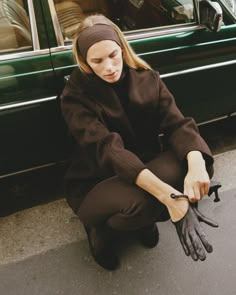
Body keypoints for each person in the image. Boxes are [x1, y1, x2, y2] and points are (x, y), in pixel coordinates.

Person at [60, 14, 218, 270]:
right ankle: (98, 229)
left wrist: (197, 164)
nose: (109, 66)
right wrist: (171, 197)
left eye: (113, 55)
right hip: (97, 179)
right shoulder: (76, 95)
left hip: (145, 164)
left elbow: (177, 124)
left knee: (198, 165)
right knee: (142, 205)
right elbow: (109, 150)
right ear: (85, 62)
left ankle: (147, 216)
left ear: (122, 48)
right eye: (97, 61)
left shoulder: (147, 78)